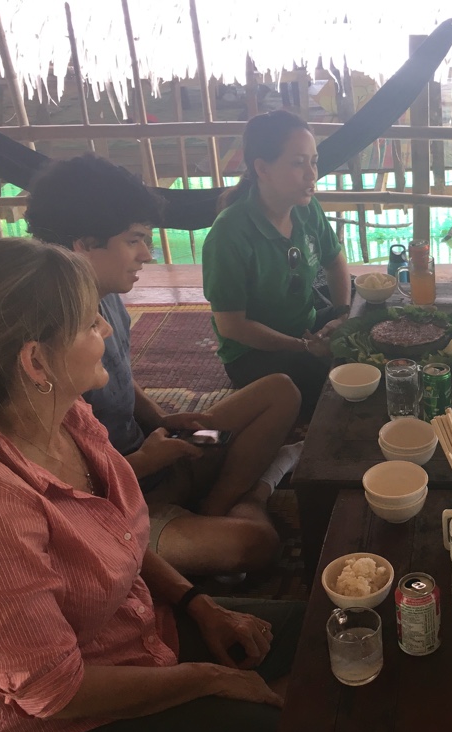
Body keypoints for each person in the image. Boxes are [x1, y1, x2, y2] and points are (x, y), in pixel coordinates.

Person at [0, 237, 303, 732]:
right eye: (88, 321)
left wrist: (199, 604)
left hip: (126, 636)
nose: (106, 327)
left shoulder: (65, 413)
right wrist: (208, 679)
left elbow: (119, 534)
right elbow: (52, 691)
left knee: (322, 632)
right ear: (35, 362)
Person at [26, 154, 301, 577]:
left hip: (155, 453)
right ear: (84, 244)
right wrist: (146, 461)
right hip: (114, 501)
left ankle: (214, 505)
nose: (147, 255)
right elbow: (59, 487)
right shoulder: (44, 344)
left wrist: (161, 419)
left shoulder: (104, 296)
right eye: (134, 240)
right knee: (253, 543)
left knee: (279, 391)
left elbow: (117, 374)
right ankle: (252, 496)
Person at [202, 110, 352, 417]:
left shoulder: (306, 208)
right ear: (262, 169)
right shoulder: (229, 233)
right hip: (253, 352)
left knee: (371, 321)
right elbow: (232, 325)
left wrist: (342, 315)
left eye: (313, 161)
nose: (312, 174)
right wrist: (302, 346)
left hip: (306, 326)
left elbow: (335, 262)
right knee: (337, 390)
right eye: (298, 163)